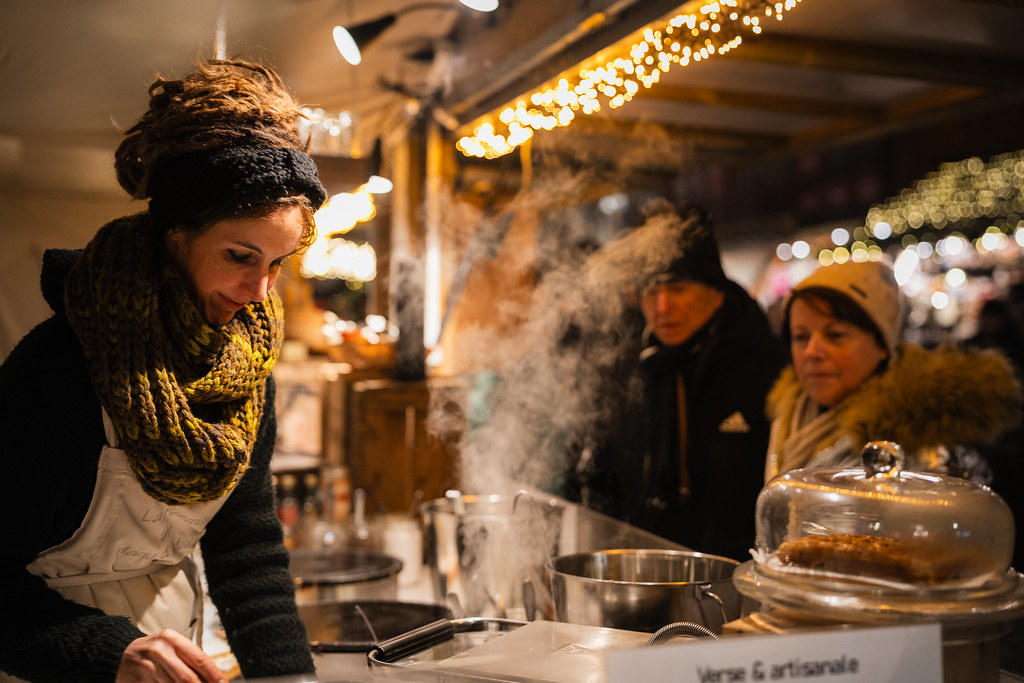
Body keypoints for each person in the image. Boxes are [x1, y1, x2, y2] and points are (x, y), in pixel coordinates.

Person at [0, 59, 327, 682]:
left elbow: (246, 549)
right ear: (176, 231)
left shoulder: (244, 368)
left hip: (180, 659)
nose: (259, 292)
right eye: (239, 255)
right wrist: (104, 650)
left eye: (277, 263)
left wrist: (290, 677)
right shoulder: (60, 371)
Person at [568, 201, 788, 561]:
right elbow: (600, 474)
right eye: (650, 291)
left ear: (714, 287)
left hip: (735, 578)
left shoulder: (768, 367)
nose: (663, 307)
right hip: (639, 571)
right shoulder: (629, 366)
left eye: (679, 288)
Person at [765, 259, 1021, 482]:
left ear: (882, 345)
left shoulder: (924, 444)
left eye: (836, 335)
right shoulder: (784, 417)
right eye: (800, 337)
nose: (812, 351)